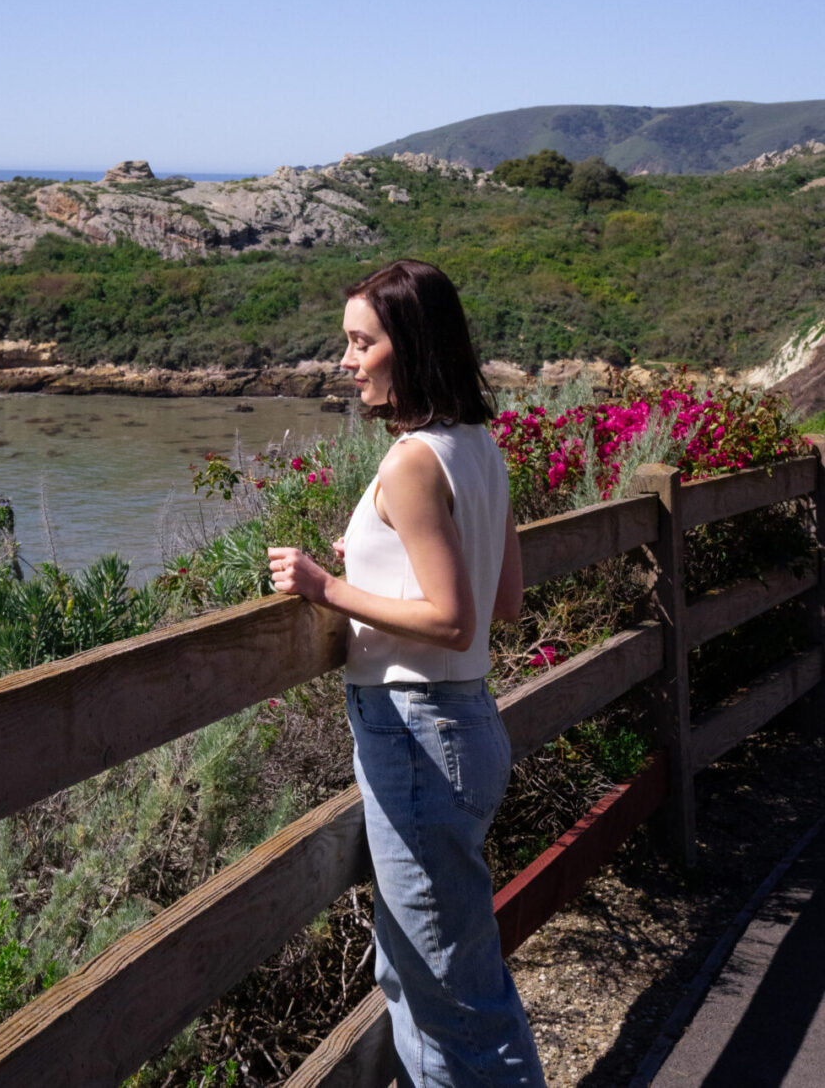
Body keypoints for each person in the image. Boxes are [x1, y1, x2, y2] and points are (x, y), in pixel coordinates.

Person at [268, 259, 546, 1088]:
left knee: (454, 999)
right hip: (461, 725)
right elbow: (506, 601)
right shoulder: (478, 446)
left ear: (408, 346)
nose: (346, 360)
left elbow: (455, 618)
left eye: (361, 342)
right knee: (424, 978)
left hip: (418, 736)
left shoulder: (413, 462)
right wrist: (379, 569)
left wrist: (327, 587)